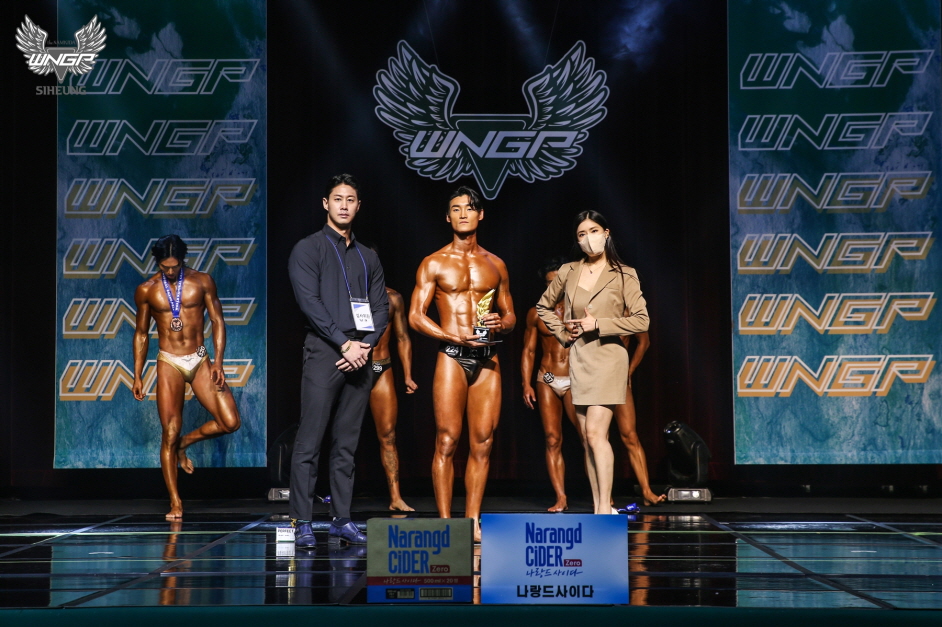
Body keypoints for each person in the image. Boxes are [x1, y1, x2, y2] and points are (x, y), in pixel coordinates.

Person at [287, 174, 388, 549]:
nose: (344, 205)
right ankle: (302, 521)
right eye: (338, 199)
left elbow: (381, 307)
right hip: (325, 351)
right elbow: (309, 304)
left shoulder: (368, 256)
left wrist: (364, 346)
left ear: (358, 206)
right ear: (325, 204)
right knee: (309, 442)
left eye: (350, 199)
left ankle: (342, 520)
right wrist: (343, 344)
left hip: (360, 354)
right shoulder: (308, 248)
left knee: (347, 444)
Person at [409, 185, 515, 541]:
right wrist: (452, 337)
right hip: (453, 356)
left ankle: (472, 521)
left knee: (483, 442)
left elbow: (511, 315)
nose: (463, 214)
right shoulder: (434, 262)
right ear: (447, 216)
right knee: (447, 440)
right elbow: (415, 316)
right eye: (456, 209)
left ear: (480, 214)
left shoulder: (496, 264)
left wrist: (502, 322)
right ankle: (446, 522)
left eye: (469, 208)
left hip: (487, 358)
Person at [536, 210, 649, 514]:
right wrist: (564, 334)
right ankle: (603, 507)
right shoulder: (569, 270)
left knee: (597, 434)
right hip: (580, 357)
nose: (589, 238)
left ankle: (602, 509)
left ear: (606, 233)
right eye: (582, 234)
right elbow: (543, 307)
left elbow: (642, 320)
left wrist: (598, 324)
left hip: (609, 357)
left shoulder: (624, 273)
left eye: (594, 231)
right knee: (588, 437)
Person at [132, 234, 242, 521]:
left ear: (182, 260)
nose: (170, 272)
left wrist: (218, 362)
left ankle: (185, 443)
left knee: (230, 422)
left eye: (175, 266)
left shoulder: (202, 281)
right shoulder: (147, 290)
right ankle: (175, 501)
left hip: (200, 356)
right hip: (169, 360)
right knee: (169, 431)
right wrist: (137, 374)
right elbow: (141, 333)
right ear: (157, 263)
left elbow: (217, 321)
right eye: (165, 267)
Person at [521, 257, 581, 512]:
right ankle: (561, 497)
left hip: (575, 379)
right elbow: (528, 351)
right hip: (546, 378)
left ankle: (603, 495)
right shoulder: (536, 313)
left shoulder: (581, 311)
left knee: (588, 437)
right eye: (549, 283)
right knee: (552, 439)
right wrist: (526, 384)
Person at [368, 284, 418, 511]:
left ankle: (395, 499)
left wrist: (407, 375)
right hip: (353, 369)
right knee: (343, 437)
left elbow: (402, 337)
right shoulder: (342, 293)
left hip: (382, 368)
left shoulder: (393, 298)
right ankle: (340, 502)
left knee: (388, 435)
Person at [615, 332, 666, 506]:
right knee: (595, 440)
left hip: (618, 378)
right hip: (595, 379)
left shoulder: (627, 316)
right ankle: (602, 497)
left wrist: (629, 370)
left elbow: (644, 341)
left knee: (630, 436)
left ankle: (646, 491)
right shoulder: (592, 316)